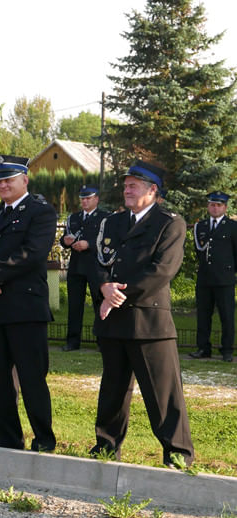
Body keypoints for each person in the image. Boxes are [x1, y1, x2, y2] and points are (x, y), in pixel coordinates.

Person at [91, 160, 194, 468]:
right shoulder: (113, 222)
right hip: (113, 321)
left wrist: (118, 294)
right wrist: (103, 288)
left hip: (149, 321)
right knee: (112, 391)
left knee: (163, 394)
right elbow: (97, 262)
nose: (127, 190)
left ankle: (177, 454)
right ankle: (106, 448)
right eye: (125, 185)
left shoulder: (169, 223)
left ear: (153, 190)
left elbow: (162, 271)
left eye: (133, 185)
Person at [0, 155, 57, 452]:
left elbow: (33, 252)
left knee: (32, 377)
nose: (3, 184)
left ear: (25, 180)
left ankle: (43, 439)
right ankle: (8, 438)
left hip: (25, 308)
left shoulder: (41, 212)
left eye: (9, 179)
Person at [59, 186, 109, 351]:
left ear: (96, 199)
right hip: (76, 265)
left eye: (88, 198)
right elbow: (65, 237)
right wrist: (64, 242)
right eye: (82, 199)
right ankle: (72, 342)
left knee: (98, 303)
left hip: (95, 265)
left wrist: (89, 244)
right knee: (74, 305)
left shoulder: (104, 217)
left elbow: (107, 240)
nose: (85, 201)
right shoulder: (74, 217)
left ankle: (102, 340)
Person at [189, 191, 237, 362]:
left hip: (225, 279)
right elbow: (199, 252)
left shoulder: (232, 226)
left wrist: (231, 272)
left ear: (224, 207)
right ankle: (203, 348)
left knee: (227, 316)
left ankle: (227, 350)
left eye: (218, 205)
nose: (215, 208)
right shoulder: (200, 226)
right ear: (208, 206)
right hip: (205, 279)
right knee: (203, 316)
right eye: (212, 204)